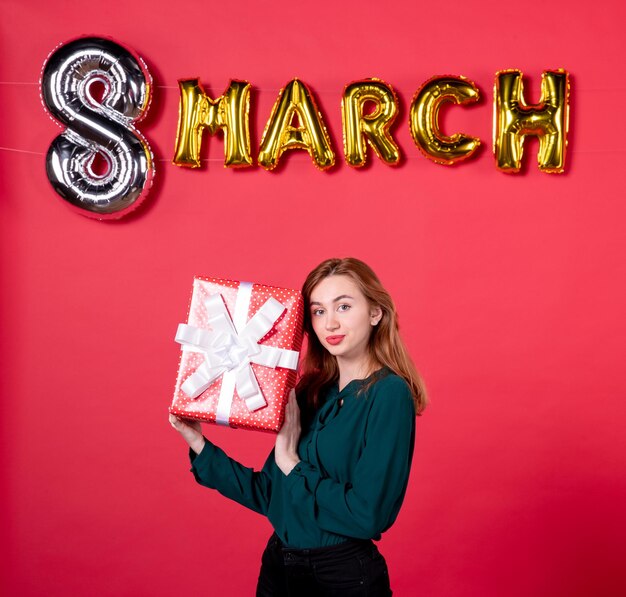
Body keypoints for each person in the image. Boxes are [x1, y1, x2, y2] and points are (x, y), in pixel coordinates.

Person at [169, 257, 427, 596]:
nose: (330, 323)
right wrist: (198, 442)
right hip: (280, 568)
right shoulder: (310, 391)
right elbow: (269, 494)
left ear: (375, 313)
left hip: (343, 577)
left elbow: (369, 515)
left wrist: (293, 464)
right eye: (318, 311)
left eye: (344, 306)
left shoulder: (389, 394)